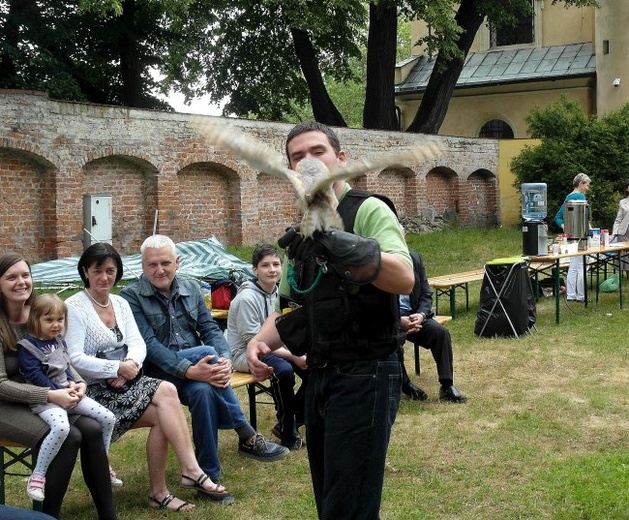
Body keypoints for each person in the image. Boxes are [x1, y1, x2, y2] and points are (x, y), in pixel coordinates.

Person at [247, 121, 414, 519]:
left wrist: (341, 244)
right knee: (330, 494)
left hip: (367, 371)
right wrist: (260, 340)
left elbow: (404, 277)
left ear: (340, 160)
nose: (307, 161)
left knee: (349, 502)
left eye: (317, 152)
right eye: (297, 156)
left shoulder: (367, 209)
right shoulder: (303, 229)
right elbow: (294, 306)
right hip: (320, 374)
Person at [64, 243, 231, 513]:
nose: (104, 277)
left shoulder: (119, 302)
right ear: (85, 271)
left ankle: (162, 492)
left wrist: (130, 363)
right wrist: (117, 368)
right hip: (90, 392)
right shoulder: (74, 307)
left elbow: (138, 344)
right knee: (166, 395)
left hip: (124, 384)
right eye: (98, 271)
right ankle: (189, 471)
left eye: (110, 270)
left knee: (164, 406)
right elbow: (74, 359)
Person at [119, 235, 289, 492]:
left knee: (203, 390)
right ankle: (246, 435)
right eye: (152, 264)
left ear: (177, 262)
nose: (159, 270)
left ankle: (206, 474)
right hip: (158, 374)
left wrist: (222, 360)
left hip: (199, 369)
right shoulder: (131, 297)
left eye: (165, 262)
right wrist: (190, 369)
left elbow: (209, 328)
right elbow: (149, 347)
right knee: (206, 353)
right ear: (143, 266)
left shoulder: (190, 288)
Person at [0, 253, 117, 520]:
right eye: (11, 277)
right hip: (6, 403)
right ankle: (49, 516)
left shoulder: (42, 314)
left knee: (92, 427)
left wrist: (78, 383)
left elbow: (60, 356)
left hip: (44, 394)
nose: (21, 282)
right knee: (70, 436)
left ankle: (109, 516)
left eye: (25, 275)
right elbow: (1, 384)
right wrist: (51, 394)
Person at [18, 293, 118, 502]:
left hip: (68, 393)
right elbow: (34, 375)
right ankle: (37, 475)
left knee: (108, 417)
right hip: (45, 399)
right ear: (36, 319)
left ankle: (104, 462)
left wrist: (77, 383)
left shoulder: (58, 341)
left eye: (59, 320)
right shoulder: (27, 346)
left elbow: (67, 367)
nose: (56, 325)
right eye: (49, 320)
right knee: (62, 427)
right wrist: (59, 392)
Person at [226, 244, 308, 450]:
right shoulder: (246, 298)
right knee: (284, 370)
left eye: (276, 264)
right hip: (245, 355)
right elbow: (255, 345)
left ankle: (291, 421)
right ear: (255, 270)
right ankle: (289, 431)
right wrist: (294, 357)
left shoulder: (279, 294)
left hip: (274, 350)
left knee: (316, 367)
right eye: (265, 265)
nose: (272, 270)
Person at [398, 251, 467, 403]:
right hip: (391, 319)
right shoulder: (380, 263)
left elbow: (425, 294)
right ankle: (405, 384)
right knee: (393, 341)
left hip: (414, 316)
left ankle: (447, 386)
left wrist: (421, 315)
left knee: (440, 333)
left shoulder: (414, 258)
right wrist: (398, 320)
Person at [554, 172, 591, 302]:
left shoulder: (568, 198)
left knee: (574, 265)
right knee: (582, 266)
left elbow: (557, 218)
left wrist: (565, 227)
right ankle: (581, 296)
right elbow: (586, 220)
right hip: (582, 236)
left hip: (570, 238)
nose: (588, 188)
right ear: (580, 184)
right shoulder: (580, 197)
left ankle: (570, 295)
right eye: (587, 185)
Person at [612, 179, 629, 272]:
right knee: (625, 254)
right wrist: (614, 233)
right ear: (627, 188)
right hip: (624, 231)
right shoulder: (622, 202)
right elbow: (618, 219)